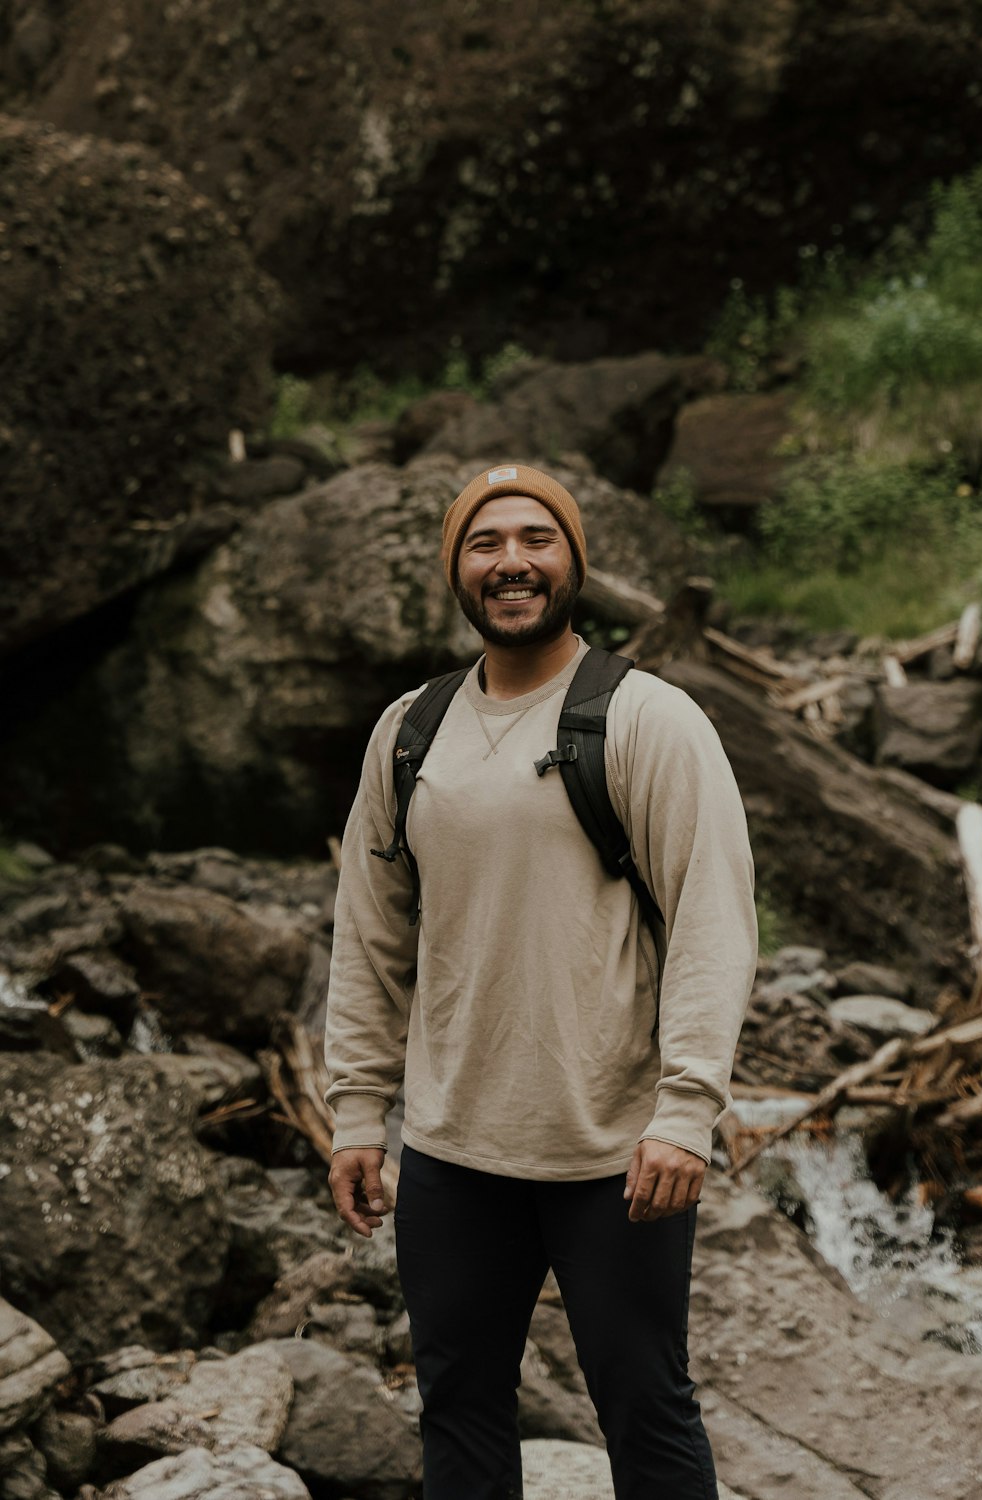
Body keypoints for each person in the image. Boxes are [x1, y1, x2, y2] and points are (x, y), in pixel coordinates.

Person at [325, 462, 757, 1500]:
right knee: (460, 1412)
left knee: (646, 1411)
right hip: (450, 1148)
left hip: (613, 1153)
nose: (511, 562)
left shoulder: (648, 720)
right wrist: (354, 1111)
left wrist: (686, 1109)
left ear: (572, 562)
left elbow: (712, 916)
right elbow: (369, 930)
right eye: (484, 543)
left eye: (535, 539)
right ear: (457, 572)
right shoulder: (408, 732)